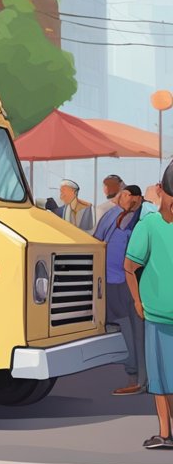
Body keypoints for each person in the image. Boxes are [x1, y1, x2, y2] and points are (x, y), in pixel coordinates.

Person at [124, 162, 173, 449]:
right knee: (162, 380)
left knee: (166, 377)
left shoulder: (151, 225)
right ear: (159, 192)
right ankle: (165, 433)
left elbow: (130, 266)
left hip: (156, 314)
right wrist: (138, 300)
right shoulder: (150, 225)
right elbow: (130, 266)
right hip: (157, 316)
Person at [96, 185, 146, 395]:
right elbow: (98, 241)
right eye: (122, 194)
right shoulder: (114, 214)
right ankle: (137, 376)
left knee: (134, 332)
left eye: (127, 195)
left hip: (125, 280)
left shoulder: (140, 216)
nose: (122, 197)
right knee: (129, 331)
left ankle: (137, 378)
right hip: (112, 280)